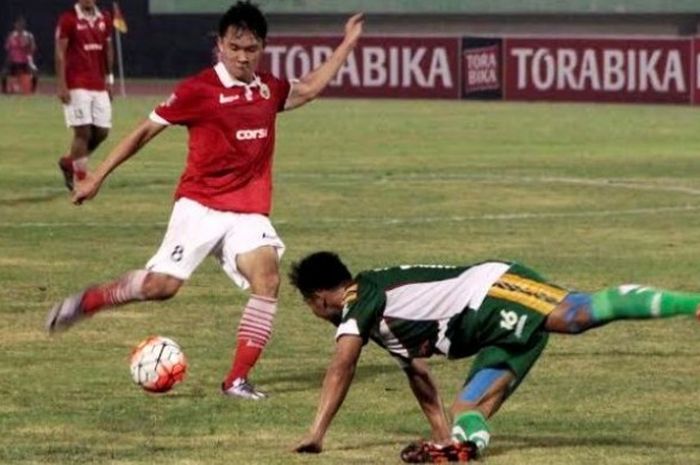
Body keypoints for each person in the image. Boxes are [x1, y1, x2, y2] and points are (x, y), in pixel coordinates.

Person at [45, 2, 365, 400]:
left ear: (262, 47)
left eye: (251, 49)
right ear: (220, 45)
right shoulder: (199, 90)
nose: (242, 56)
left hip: (247, 212)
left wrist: (348, 42)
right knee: (162, 287)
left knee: (267, 279)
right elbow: (145, 131)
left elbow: (310, 88)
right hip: (200, 205)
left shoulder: (267, 88)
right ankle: (89, 301)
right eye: (234, 47)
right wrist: (97, 176)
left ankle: (236, 380)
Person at [288, 251, 700, 463]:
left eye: (311, 305)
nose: (316, 313)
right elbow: (419, 376)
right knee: (467, 408)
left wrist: (316, 432)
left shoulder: (361, 296)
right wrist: (442, 434)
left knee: (577, 314)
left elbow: (342, 365)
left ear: (321, 297)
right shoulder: (382, 320)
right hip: (492, 330)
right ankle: (462, 449)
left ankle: (693, 303)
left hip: (492, 291)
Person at [55, 0, 114, 191]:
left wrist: (109, 79)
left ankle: (69, 162)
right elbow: (60, 52)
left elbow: (108, 49)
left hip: (98, 84)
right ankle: (81, 178)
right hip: (76, 84)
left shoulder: (104, 18)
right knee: (83, 132)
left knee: (102, 132)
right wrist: (62, 84)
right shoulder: (68, 19)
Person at [2, 16, 38, 94]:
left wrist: (27, 45)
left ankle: (32, 90)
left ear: (24, 26)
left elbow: (33, 48)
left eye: (21, 24)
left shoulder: (29, 35)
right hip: (13, 61)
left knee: (35, 71)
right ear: (15, 25)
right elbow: (7, 48)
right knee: (4, 73)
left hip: (25, 61)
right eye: (18, 24)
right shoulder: (11, 35)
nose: (19, 26)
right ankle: (4, 90)